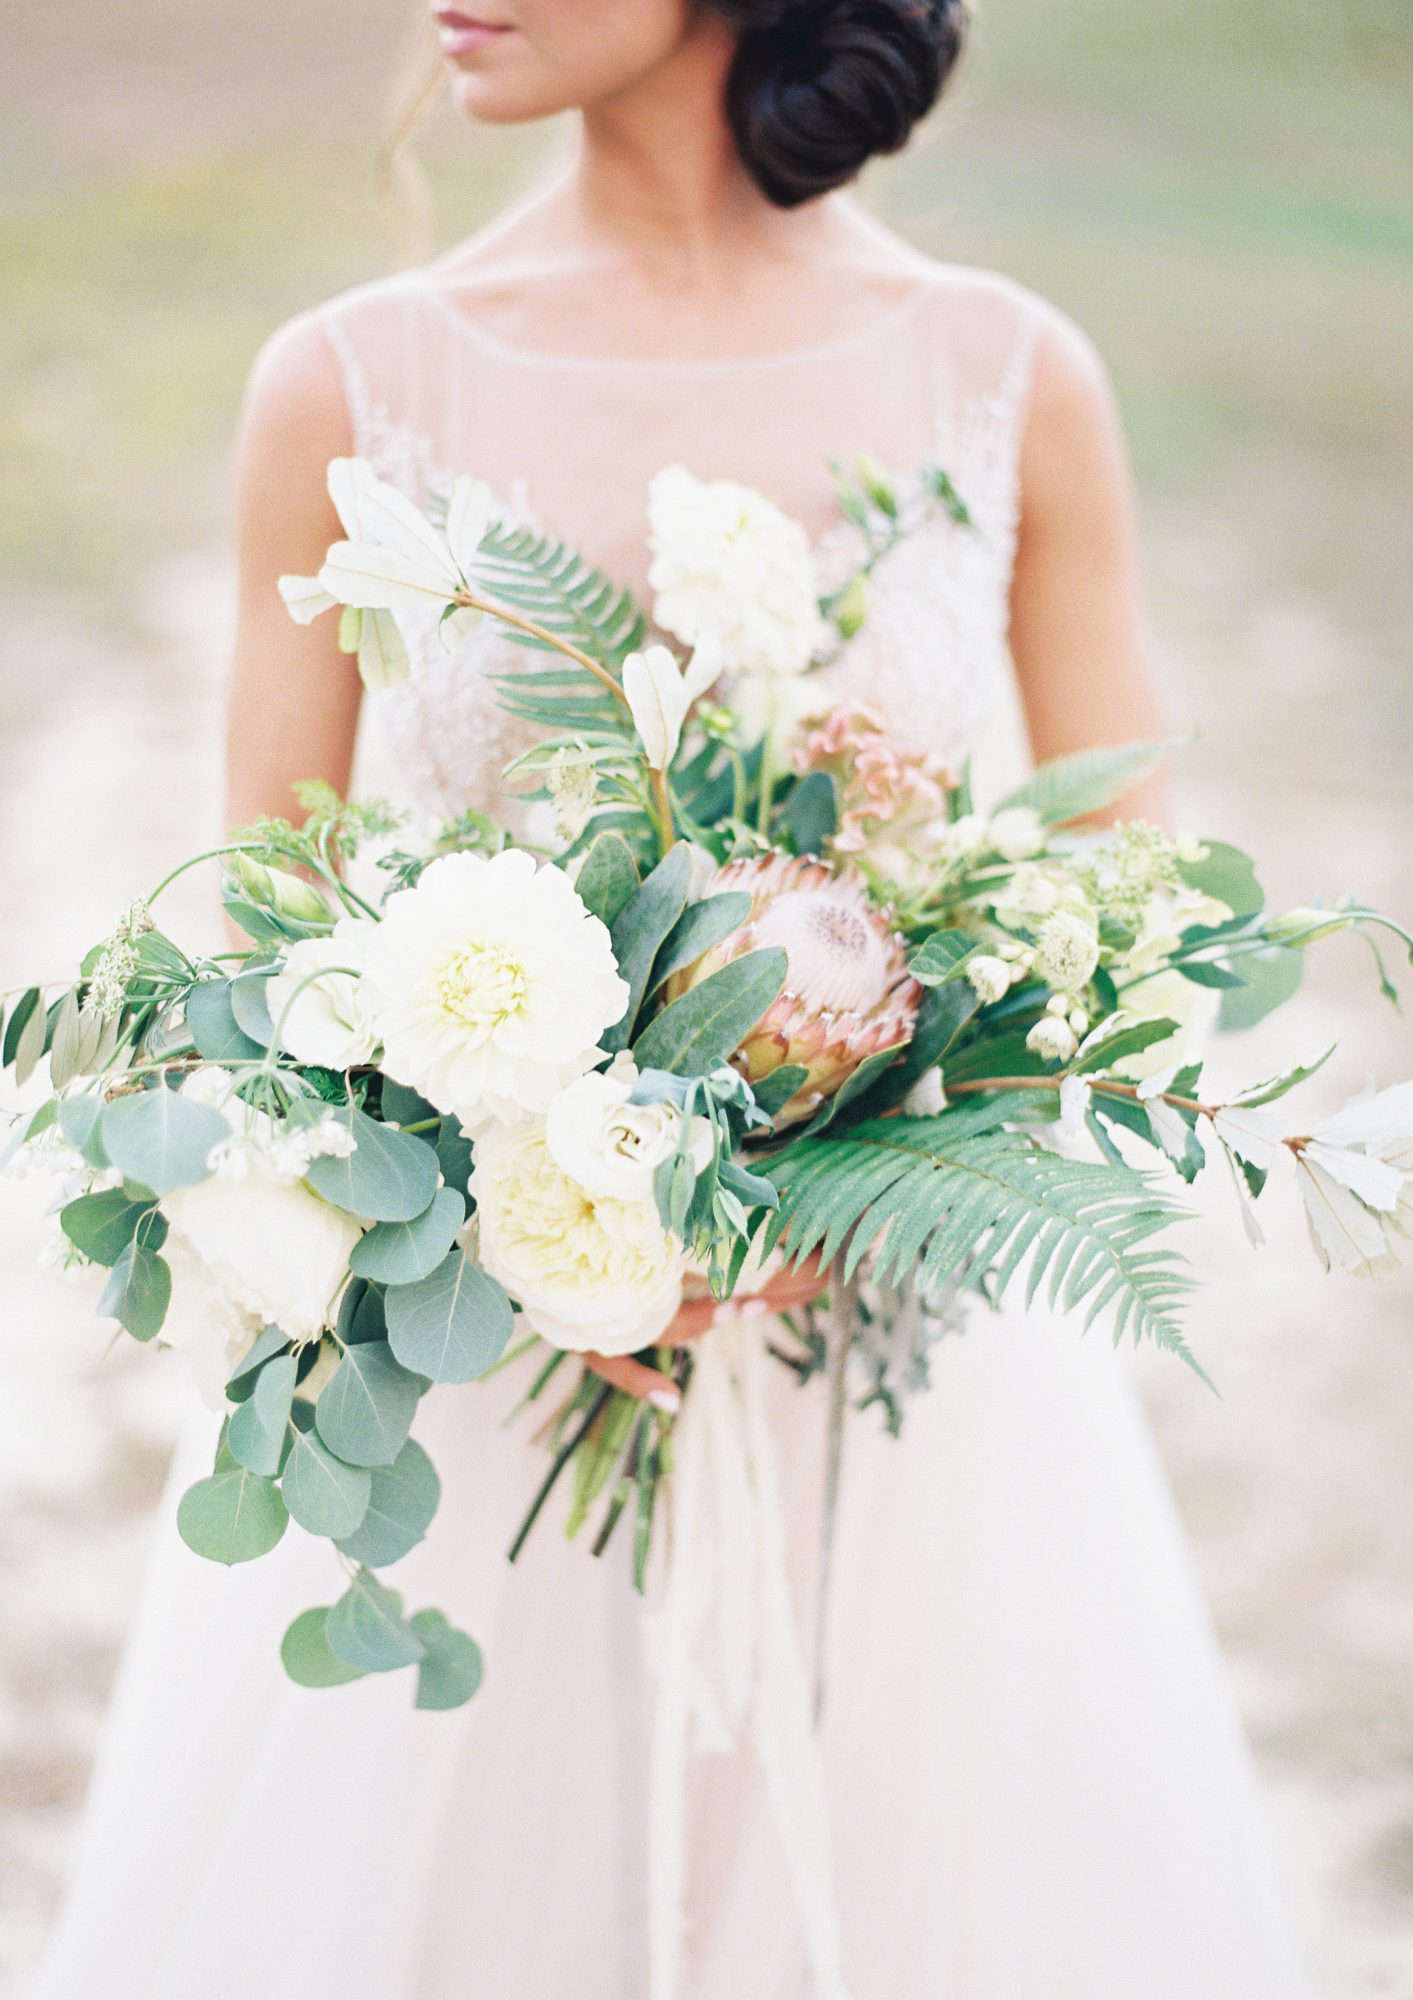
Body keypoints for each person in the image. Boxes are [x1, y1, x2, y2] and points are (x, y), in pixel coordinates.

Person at [32, 4, 1310, 1994]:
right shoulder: (356, 383)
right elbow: (259, 955)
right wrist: (529, 1213)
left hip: (911, 1371)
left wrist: (864, 1168)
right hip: (488, 1388)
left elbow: (1133, 907)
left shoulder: (1006, 374)